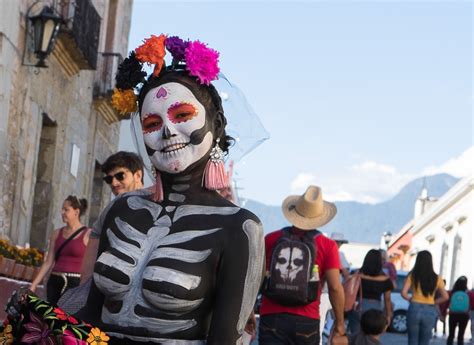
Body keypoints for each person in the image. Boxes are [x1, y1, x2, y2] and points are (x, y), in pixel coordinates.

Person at [259, 185, 346, 345]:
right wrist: (340, 323)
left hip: (271, 316)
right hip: (307, 319)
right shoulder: (328, 245)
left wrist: (248, 312)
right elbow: (334, 287)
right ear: (319, 217)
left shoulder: (271, 239)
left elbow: (256, 279)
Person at [80, 151, 144, 283]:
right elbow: (93, 245)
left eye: (120, 176)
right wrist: (84, 290)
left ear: (138, 175)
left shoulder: (155, 205)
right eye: (109, 179)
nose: (114, 183)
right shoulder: (109, 210)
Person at [30, 195, 91, 304]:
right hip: (54, 281)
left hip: (74, 283)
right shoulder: (56, 234)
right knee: (51, 316)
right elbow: (48, 262)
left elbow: (91, 264)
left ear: (76, 212)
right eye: (62, 209)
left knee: (65, 317)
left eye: (66, 210)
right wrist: (34, 285)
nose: (62, 212)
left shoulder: (88, 234)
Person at [401, 250, 449, 345]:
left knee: (412, 340)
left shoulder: (412, 276)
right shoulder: (437, 278)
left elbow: (403, 292)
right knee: (425, 341)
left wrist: (411, 299)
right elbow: (445, 296)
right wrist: (434, 302)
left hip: (414, 307)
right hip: (430, 309)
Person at [347, 249, 393, 335]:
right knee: (371, 336)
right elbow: (387, 299)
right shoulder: (386, 280)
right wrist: (388, 315)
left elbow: (348, 289)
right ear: (380, 262)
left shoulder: (356, 274)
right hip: (375, 310)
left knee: (355, 336)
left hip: (357, 306)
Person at [446, 276, 472, 345]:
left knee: (451, 335)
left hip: (453, 314)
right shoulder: (469, 293)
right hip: (464, 315)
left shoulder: (451, 292)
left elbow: (447, 303)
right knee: (461, 336)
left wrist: (443, 314)